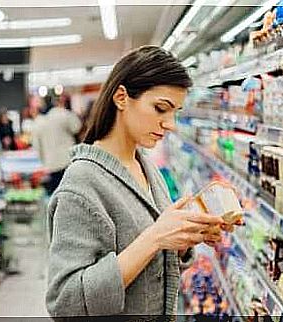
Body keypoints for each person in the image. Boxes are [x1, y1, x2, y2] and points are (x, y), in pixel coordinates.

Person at [45, 46, 229, 320]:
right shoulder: (82, 183)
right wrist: (155, 237)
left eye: (175, 112)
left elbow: (148, 259)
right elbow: (66, 301)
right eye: (160, 109)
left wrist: (185, 236)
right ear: (121, 97)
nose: (170, 124)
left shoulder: (145, 165)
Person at [31, 93, 82, 195]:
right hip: (68, 161)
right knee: (72, 195)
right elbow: (77, 127)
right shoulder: (62, 113)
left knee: (56, 197)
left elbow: (36, 147)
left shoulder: (38, 122)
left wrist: (44, 162)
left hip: (51, 165)